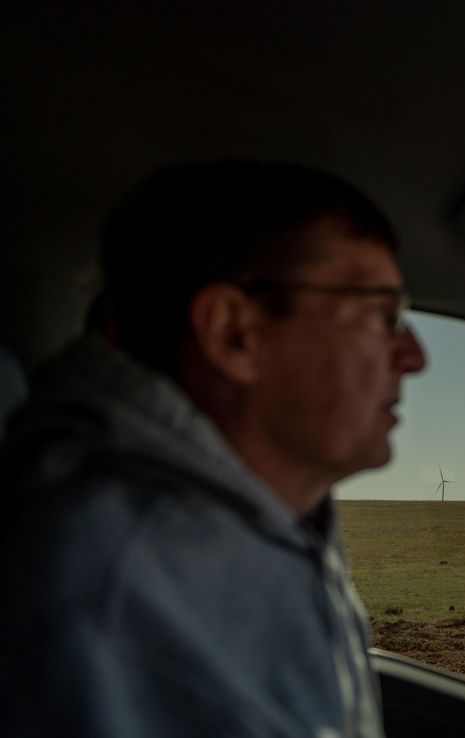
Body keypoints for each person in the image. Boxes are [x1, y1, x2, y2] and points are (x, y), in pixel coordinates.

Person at [0, 160, 426, 737]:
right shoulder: (111, 590)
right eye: (382, 314)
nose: (414, 356)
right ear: (233, 333)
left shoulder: (269, 522)